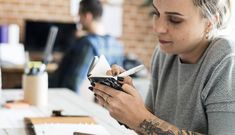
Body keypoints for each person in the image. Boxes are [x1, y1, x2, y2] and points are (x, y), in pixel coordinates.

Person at [91, 0, 235, 134]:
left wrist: (139, 119)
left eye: (175, 20)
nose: (158, 28)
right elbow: (150, 124)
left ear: (210, 23)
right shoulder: (164, 53)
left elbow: (145, 121)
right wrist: (127, 101)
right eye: (156, 13)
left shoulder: (226, 60)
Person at [50, 0, 124, 93]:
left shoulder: (87, 44)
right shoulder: (116, 45)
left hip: (63, 97)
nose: (78, 20)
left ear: (87, 16)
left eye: (79, 16)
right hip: (101, 103)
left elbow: (73, 83)